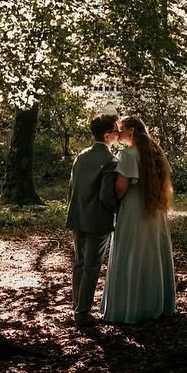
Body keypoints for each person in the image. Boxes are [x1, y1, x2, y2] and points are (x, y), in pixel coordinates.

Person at [101, 114, 176, 323]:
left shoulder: (128, 155)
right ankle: (156, 304)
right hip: (155, 211)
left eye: (121, 129)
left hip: (134, 210)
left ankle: (131, 306)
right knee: (152, 253)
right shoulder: (156, 152)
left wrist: (109, 198)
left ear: (131, 131)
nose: (118, 133)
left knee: (132, 252)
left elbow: (121, 188)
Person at [65, 112, 120, 326]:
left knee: (79, 263)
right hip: (98, 219)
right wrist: (117, 211)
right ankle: (83, 313)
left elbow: (72, 188)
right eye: (116, 131)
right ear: (107, 135)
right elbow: (106, 195)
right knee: (92, 265)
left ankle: (76, 305)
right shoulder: (110, 160)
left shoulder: (82, 155)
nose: (118, 134)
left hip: (77, 216)